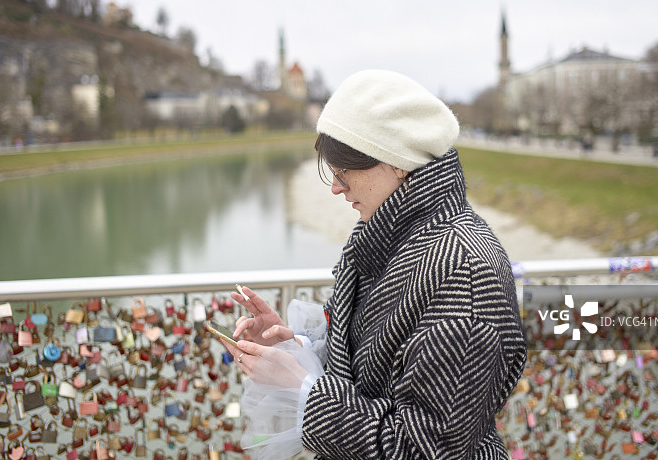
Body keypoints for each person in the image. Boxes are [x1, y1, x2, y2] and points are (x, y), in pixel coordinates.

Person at [220, 69, 527, 459]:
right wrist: (295, 350)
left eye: (344, 172)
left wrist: (307, 392)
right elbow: (370, 371)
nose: (335, 187)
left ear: (397, 162)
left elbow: (426, 450)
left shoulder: (463, 271)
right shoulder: (385, 235)